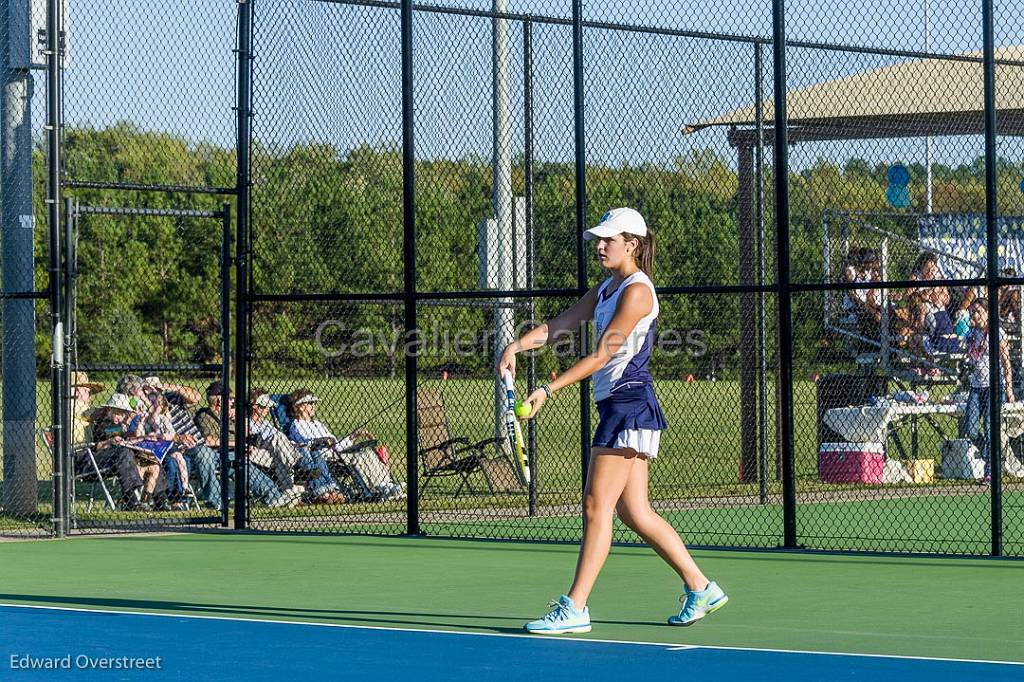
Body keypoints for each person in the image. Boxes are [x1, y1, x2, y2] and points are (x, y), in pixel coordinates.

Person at [497, 207, 727, 634]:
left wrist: (548, 390)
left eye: (609, 239)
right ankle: (701, 587)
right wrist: (517, 345)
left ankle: (576, 607)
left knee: (594, 505)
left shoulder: (638, 292)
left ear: (632, 244)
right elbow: (561, 325)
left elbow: (604, 353)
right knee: (635, 511)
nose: (600, 246)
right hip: (618, 405)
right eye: (598, 239)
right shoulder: (606, 289)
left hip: (629, 404)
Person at [193, 381, 299, 508]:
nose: (233, 402)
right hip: (215, 454)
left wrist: (237, 418)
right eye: (231, 399)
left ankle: (274, 497)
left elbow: (247, 433)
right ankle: (216, 502)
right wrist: (238, 444)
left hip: (233, 452)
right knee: (238, 461)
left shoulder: (229, 416)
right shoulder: (205, 415)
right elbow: (209, 441)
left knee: (246, 467)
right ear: (220, 401)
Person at [286, 389, 404, 501]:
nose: (314, 406)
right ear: (300, 407)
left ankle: (387, 485)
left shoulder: (318, 424)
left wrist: (353, 435)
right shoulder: (296, 425)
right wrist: (323, 440)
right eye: (311, 403)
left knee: (368, 453)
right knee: (360, 457)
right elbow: (307, 443)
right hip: (323, 456)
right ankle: (376, 490)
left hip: (337, 453)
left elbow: (337, 445)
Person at [247, 388, 344, 505]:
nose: (267, 410)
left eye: (268, 406)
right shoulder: (247, 422)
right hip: (261, 451)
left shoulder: (267, 424)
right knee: (279, 437)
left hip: (280, 452)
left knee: (301, 450)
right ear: (253, 406)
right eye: (263, 407)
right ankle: (301, 465)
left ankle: (321, 493)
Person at [68, 373, 149, 510]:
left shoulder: (92, 418)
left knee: (130, 453)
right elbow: (99, 417)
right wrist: (114, 411)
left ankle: (139, 498)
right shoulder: (73, 405)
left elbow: (114, 430)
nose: (90, 396)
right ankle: (132, 500)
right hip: (80, 459)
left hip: (90, 456)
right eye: (87, 391)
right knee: (123, 453)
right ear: (75, 391)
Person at [960, 298, 1016, 483]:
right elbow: (965, 351)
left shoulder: (997, 332)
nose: (974, 315)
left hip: (994, 385)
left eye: (978, 311)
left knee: (989, 427)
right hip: (976, 386)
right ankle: (989, 451)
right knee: (971, 429)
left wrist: (1009, 388)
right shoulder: (971, 334)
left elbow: (1006, 361)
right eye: (972, 311)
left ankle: (990, 471)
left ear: (987, 313)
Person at [89, 392, 169, 510]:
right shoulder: (103, 424)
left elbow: (130, 436)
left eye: (123, 413)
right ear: (109, 410)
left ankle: (157, 500)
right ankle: (131, 501)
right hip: (108, 460)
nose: (120, 416)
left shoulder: (119, 426)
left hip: (126, 460)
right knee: (127, 454)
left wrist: (140, 422)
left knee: (154, 463)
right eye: (117, 412)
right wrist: (112, 440)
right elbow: (106, 443)